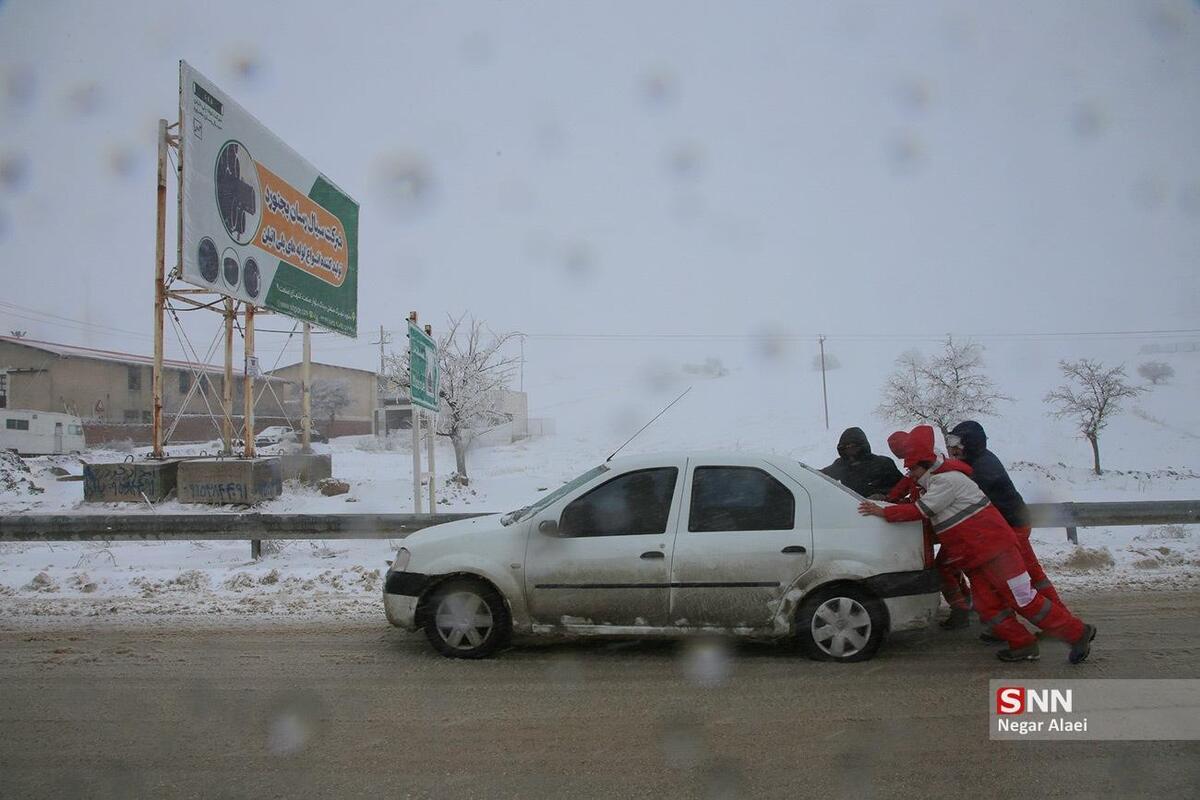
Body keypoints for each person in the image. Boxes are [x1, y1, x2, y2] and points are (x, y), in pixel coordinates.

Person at [860, 425, 1096, 663]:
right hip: (975, 557)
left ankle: (1076, 633)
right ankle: (1022, 643)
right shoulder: (935, 481)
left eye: (912, 468)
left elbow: (922, 510)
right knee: (987, 606)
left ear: (926, 465)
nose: (909, 473)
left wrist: (882, 512)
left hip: (998, 552)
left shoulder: (947, 481)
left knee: (1023, 598)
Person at [947, 421, 1062, 606]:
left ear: (970, 444)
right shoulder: (973, 461)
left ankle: (1059, 618)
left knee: (1028, 575)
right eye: (950, 442)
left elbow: (961, 496)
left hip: (1013, 526)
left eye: (956, 444)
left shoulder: (981, 468)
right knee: (1020, 575)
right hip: (1009, 523)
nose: (952, 449)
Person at [885, 431, 972, 629]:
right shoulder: (926, 462)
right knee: (950, 567)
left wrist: (891, 506)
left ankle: (962, 609)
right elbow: (909, 485)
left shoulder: (932, 468)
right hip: (947, 527)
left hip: (951, 527)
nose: (906, 464)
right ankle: (966, 603)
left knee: (942, 568)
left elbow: (920, 500)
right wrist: (893, 499)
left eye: (903, 456)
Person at [821, 427, 904, 499]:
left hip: (882, 510)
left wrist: (884, 495)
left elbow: (904, 487)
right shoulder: (841, 464)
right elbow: (821, 476)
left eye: (853, 446)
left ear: (862, 445)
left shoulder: (883, 463)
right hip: (853, 510)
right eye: (846, 448)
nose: (850, 450)